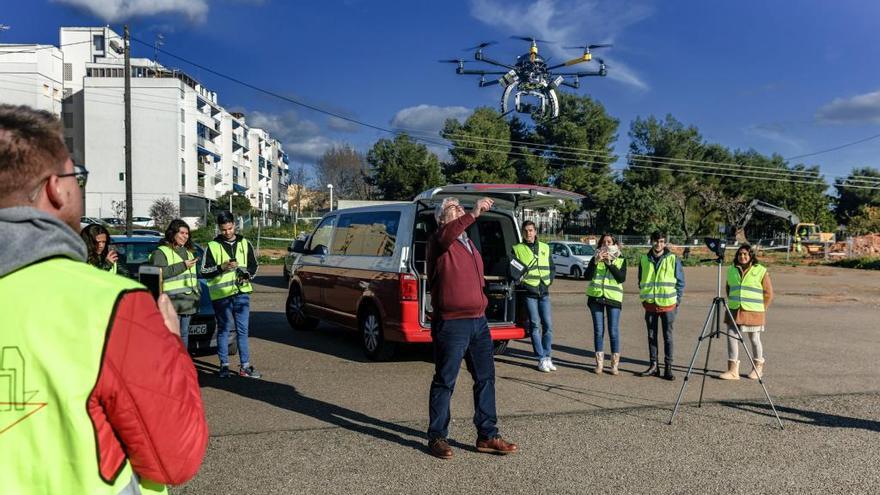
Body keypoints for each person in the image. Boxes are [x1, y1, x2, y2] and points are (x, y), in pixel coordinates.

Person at [0, 104, 207, 493]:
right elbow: (174, 459)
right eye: (77, 177)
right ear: (56, 188)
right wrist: (172, 343)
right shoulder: (113, 305)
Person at [426, 196, 518, 460]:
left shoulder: (467, 243)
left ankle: (487, 435)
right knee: (445, 380)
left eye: (460, 207)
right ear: (441, 218)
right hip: (452, 323)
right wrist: (474, 212)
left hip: (478, 321)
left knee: (485, 378)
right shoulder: (439, 240)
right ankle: (437, 437)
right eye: (453, 208)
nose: (460, 210)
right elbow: (447, 236)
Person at [202, 211, 261, 378]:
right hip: (221, 295)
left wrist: (247, 275)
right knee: (224, 329)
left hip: (241, 293)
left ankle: (245, 366)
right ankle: (224, 366)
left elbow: (254, 266)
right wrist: (221, 267)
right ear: (219, 228)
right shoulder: (212, 246)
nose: (227, 232)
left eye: (229, 228)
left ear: (234, 225)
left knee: (243, 330)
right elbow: (204, 271)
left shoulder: (245, 243)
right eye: (223, 229)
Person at [719, 244, 774, 380]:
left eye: (745, 254)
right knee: (731, 336)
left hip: (753, 311)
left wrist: (762, 309)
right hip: (734, 309)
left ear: (750, 256)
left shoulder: (760, 270)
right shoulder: (732, 269)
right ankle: (733, 371)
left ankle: (758, 368)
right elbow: (728, 287)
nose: (742, 257)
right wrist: (732, 301)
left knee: (754, 339)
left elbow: (768, 293)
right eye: (740, 254)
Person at [637, 231, 685, 381]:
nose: (659, 244)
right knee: (651, 336)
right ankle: (653, 366)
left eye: (662, 241)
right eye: (657, 241)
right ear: (651, 241)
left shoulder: (673, 259)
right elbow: (641, 280)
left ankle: (668, 368)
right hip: (650, 304)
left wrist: (676, 301)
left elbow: (680, 282)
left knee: (667, 337)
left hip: (668, 305)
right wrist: (646, 298)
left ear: (665, 243)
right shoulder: (644, 259)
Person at [511, 220, 556, 372]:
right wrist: (522, 283)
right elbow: (513, 271)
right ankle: (541, 358)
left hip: (544, 291)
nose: (528, 233)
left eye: (531, 230)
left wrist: (549, 281)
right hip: (529, 292)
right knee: (535, 325)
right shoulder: (517, 248)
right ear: (522, 233)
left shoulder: (545, 247)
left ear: (535, 231)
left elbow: (551, 267)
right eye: (526, 231)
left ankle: (548, 356)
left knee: (548, 326)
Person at [151, 219, 201, 348]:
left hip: (187, 302)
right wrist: (183, 265)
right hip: (170, 302)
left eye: (187, 234)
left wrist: (197, 295)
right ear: (173, 233)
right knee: (172, 335)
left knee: (184, 334)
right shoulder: (161, 252)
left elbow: (193, 279)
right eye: (182, 233)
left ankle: (182, 364)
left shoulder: (189, 252)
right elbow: (159, 273)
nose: (185, 236)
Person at [585, 233, 626, 375]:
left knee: (613, 331)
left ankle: (614, 365)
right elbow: (587, 276)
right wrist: (595, 262)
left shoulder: (620, 259)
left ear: (614, 244)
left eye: (609, 242)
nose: (606, 245)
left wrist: (610, 263)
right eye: (604, 242)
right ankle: (599, 364)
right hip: (596, 298)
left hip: (613, 298)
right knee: (598, 331)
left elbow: (621, 278)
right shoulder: (595, 258)